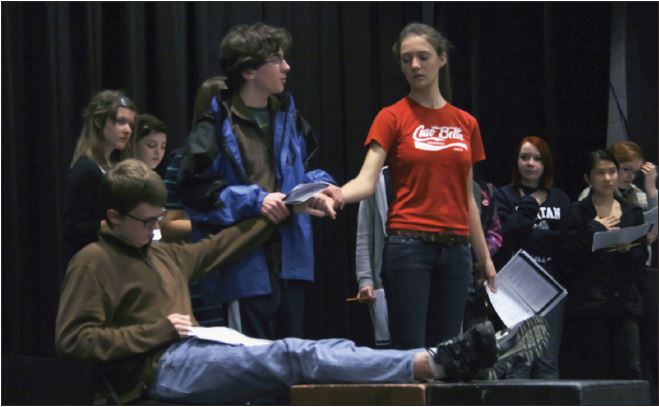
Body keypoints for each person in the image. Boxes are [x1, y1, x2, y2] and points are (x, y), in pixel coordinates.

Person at [55, 159, 549, 405]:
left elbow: (223, 246)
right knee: (293, 356)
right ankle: (433, 363)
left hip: (195, 350)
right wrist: (157, 332)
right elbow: (75, 340)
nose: (155, 228)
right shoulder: (93, 262)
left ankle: (434, 362)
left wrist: (285, 209)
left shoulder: (160, 253)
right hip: (156, 371)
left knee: (310, 351)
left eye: (160, 218)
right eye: (145, 221)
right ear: (113, 217)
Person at [333, 22, 496, 350]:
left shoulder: (465, 123)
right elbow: (367, 180)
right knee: (410, 354)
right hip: (409, 247)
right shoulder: (391, 117)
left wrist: (485, 259)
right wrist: (337, 194)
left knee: (447, 353)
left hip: (456, 251)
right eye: (407, 60)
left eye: (423, 57)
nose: (415, 66)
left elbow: (468, 198)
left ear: (442, 59)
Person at [177, 23, 341, 340]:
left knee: (291, 366)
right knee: (253, 370)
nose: (286, 67)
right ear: (249, 70)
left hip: (291, 265)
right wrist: (256, 200)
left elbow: (303, 171)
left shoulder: (288, 115)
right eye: (276, 59)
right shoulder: (215, 123)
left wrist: (321, 186)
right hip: (244, 270)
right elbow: (195, 193)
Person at [559, 149, 647, 380]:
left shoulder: (631, 211)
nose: (608, 178)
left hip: (625, 300)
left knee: (629, 366)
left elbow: (641, 259)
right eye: (600, 173)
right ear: (588, 178)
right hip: (589, 303)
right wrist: (594, 231)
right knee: (595, 368)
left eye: (612, 172)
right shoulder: (578, 211)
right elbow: (566, 256)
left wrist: (629, 249)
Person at [493, 136, 570, 379]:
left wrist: (531, 234)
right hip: (515, 288)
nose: (530, 163)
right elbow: (504, 235)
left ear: (545, 164)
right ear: (516, 162)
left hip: (551, 288)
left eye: (537, 158)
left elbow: (567, 241)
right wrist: (527, 206)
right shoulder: (504, 196)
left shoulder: (560, 199)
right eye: (524, 157)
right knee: (519, 362)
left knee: (547, 360)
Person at [61, 90, 136, 270]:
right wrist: (118, 224)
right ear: (98, 122)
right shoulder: (87, 169)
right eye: (120, 122)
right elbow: (73, 229)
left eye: (130, 124)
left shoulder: (111, 165)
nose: (127, 130)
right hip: (91, 268)